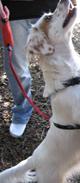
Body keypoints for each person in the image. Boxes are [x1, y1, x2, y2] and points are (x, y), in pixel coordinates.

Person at [0, 0, 59, 138]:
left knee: (56, 67)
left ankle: (60, 113)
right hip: (13, 10)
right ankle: (22, 110)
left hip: (51, 8)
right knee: (16, 67)